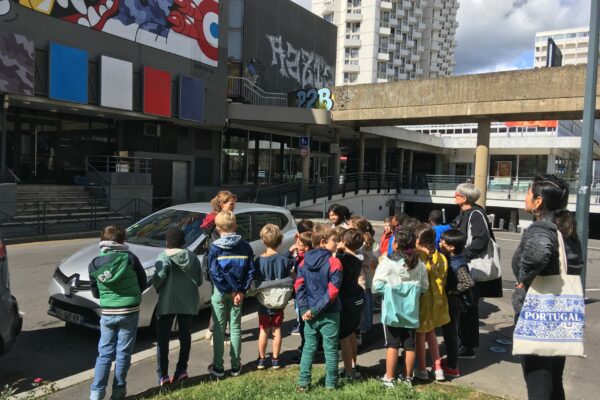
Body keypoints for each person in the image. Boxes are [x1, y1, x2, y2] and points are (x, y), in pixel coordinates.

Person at [512, 175, 583, 400]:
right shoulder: (565, 229)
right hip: (559, 314)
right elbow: (576, 264)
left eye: (528, 192)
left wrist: (525, 277)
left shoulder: (541, 228)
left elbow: (539, 253)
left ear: (538, 201)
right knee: (554, 382)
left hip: (537, 312)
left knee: (539, 387)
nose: (525, 197)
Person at [88, 225, 147, 400]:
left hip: (107, 313)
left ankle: (96, 393)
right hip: (129, 311)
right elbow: (143, 283)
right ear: (122, 240)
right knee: (123, 353)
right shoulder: (130, 259)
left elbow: (95, 292)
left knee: (104, 353)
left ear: (102, 240)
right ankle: (118, 393)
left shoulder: (94, 263)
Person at [453, 182, 502, 359]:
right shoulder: (466, 213)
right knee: (465, 306)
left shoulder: (475, 213)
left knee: (468, 306)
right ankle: (463, 343)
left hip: (471, 266)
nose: (454, 196)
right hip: (467, 265)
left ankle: (467, 346)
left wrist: (463, 256)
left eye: (457, 194)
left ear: (464, 198)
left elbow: (481, 240)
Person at [373, 230, 429, 388]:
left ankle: (389, 378)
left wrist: (391, 293)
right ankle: (407, 377)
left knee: (392, 344)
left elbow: (377, 285)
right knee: (409, 345)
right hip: (411, 311)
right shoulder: (419, 263)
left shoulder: (387, 262)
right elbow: (424, 287)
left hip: (392, 311)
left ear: (396, 244)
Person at [295, 224, 343, 391]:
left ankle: (303, 383)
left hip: (308, 313)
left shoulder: (302, 262)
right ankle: (331, 384)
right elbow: (332, 292)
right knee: (330, 349)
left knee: (309, 348)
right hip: (329, 313)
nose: (337, 243)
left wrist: (303, 310)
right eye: (334, 241)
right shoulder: (335, 262)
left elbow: (298, 287)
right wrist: (314, 309)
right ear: (323, 242)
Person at [152, 227, 202, 386]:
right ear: (183, 242)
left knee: (163, 339)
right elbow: (199, 281)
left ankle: (163, 375)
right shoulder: (193, 257)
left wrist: (157, 286)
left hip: (167, 302)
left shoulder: (164, 257)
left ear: (167, 242)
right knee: (185, 336)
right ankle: (182, 370)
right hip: (188, 302)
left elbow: (159, 277)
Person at [207, 211, 255, 378]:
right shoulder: (245, 246)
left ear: (218, 228)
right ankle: (235, 366)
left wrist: (230, 289)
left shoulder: (214, 248)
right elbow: (250, 270)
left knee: (219, 330)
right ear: (235, 226)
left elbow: (214, 273)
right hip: (239, 294)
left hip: (220, 293)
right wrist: (241, 290)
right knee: (235, 328)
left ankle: (218, 367)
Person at [254, 224, 293, 370]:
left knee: (263, 330)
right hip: (279, 301)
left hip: (264, 301)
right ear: (280, 240)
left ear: (263, 241)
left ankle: (262, 359)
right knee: (277, 330)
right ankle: (276, 359)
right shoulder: (284, 259)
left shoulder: (258, 261)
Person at [414, 224, 449, 382]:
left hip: (422, 302)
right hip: (437, 302)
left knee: (420, 335)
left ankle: (421, 369)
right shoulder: (441, 257)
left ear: (419, 241)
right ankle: (438, 367)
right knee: (431, 333)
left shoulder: (419, 258)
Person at [439, 229, 475, 379]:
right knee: (450, 333)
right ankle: (451, 360)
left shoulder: (458, 264)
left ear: (452, 246)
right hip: (452, 304)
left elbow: (468, 282)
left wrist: (453, 290)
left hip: (454, 304)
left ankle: (453, 367)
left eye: (443, 241)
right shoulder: (452, 258)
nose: (440, 243)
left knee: (450, 334)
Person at [201, 191, 237, 342]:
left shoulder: (210, 220)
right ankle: (219, 333)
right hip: (222, 267)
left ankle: (212, 329)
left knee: (218, 299)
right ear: (222, 204)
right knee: (224, 301)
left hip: (213, 266)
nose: (234, 207)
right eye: (231, 204)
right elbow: (223, 247)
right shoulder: (219, 223)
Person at [335, 228, 365, 380]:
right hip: (355, 298)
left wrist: (338, 252)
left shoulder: (343, 259)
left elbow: (336, 266)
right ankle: (353, 365)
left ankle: (347, 372)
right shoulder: (357, 257)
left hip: (345, 300)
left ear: (344, 241)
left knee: (344, 337)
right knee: (352, 332)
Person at [289, 219, 315, 337]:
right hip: (311, 289)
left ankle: (302, 327)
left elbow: (294, 263)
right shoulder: (314, 248)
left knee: (301, 310)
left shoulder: (303, 254)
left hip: (301, 288)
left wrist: (293, 250)